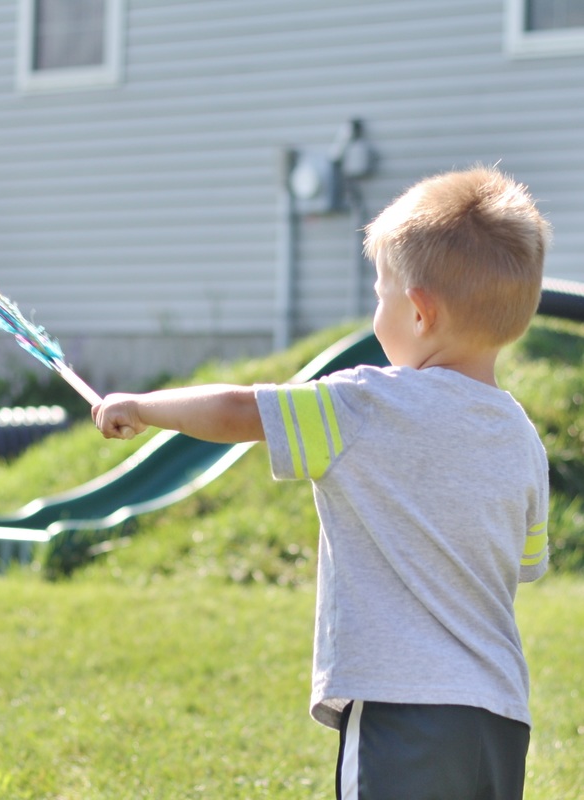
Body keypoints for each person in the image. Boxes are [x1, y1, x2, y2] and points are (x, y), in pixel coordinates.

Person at [92, 165, 552, 800]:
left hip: (402, 706)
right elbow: (527, 564)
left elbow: (238, 411)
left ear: (418, 312)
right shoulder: (523, 437)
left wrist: (141, 407)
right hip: (501, 718)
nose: (376, 308)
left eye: (380, 293)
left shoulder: (363, 404)